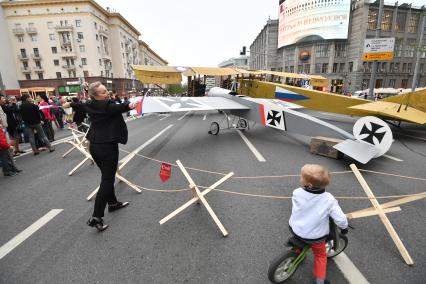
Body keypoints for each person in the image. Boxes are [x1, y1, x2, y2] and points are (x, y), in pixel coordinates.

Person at [64, 81, 136, 232]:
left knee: (106, 176)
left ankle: (113, 203)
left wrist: (69, 103)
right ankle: (96, 216)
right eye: (103, 92)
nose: (107, 93)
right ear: (95, 96)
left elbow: (78, 105)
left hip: (95, 146)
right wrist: (131, 105)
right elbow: (122, 106)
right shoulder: (107, 106)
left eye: (106, 90)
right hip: (107, 146)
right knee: (107, 180)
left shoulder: (89, 104)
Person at [289, 164, 348, 284]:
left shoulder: (297, 192)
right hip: (314, 237)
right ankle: (320, 281)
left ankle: (297, 251)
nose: (300, 177)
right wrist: (344, 227)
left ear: (309, 185)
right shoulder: (328, 200)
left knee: (301, 238)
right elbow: (340, 219)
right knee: (321, 256)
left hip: (295, 228)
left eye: (302, 177)